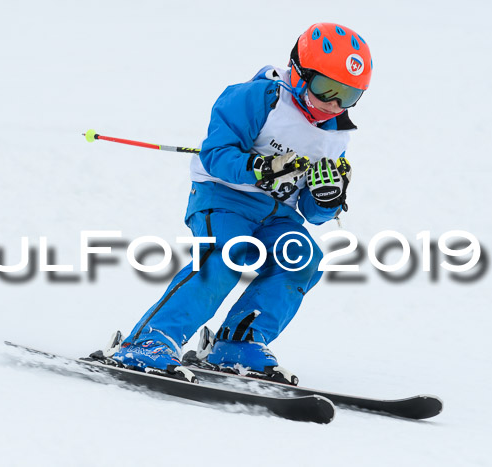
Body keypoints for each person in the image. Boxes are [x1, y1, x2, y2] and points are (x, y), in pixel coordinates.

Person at [110, 23, 372, 383]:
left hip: (277, 214)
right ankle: (149, 342)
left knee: (304, 258)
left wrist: (327, 198)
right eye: (325, 89)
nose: (333, 104)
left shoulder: (337, 133)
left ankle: (237, 343)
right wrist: (258, 168)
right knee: (227, 255)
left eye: (348, 95)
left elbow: (312, 213)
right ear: (299, 72)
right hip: (223, 198)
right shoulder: (257, 98)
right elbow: (215, 153)